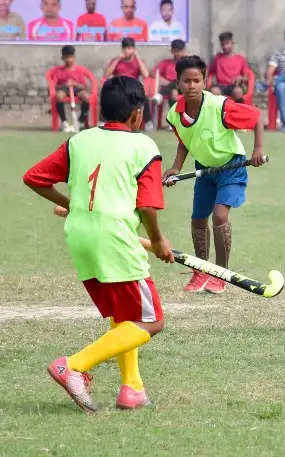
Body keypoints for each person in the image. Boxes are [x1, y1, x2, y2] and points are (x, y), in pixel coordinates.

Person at [23, 76, 174, 412]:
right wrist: (160, 241)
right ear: (138, 114)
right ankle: (73, 365)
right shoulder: (144, 147)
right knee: (152, 321)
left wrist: (74, 204)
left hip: (80, 237)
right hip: (115, 240)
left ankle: (131, 389)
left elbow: (34, 177)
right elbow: (148, 206)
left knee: (125, 314)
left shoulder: (79, 140)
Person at [163, 55, 267, 293]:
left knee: (219, 216)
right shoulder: (174, 114)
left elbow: (257, 117)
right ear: (178, 82)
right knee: (198, 219)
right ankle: (200, 272)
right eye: (186, 81)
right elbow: (185, 140)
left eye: (197, 80)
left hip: (231, 166)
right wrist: (176, 168)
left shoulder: (220, 105)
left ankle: (222, 274)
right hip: (205, 170)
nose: (192, 86)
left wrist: (258, 149)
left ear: (205, 81)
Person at [105, 38, 153, 131]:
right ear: (122, 49)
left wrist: (137, 57)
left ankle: (148, 122)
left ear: (133, 49)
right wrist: (118, 59)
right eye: (125, 48)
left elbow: (146, 75)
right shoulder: (116, 60)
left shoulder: (138, 61)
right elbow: (107, 74)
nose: (127, 51)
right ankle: (104, 121)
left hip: (133, 89)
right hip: (118, 88)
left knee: (144, 98)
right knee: (107, 95)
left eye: (129, 48)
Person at [50, 45, 91, 133]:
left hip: (77, 89)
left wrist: (75, 84)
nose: (69, 60)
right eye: (66, 57)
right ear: (62, 58)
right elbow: (54, 85)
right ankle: (64, 122)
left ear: (74, 58)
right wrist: (65, 84)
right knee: (59, 96)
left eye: (70, 57)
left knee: (86, 97)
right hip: (64, 89)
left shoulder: (78, 70)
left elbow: (84, 86)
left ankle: (80, 121)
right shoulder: (59, 71)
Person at [208, 31, 249, 103]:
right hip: (220, 85)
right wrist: (208, 82)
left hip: (234, 86)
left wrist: (241, 78)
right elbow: (210, 73)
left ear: (232, 43)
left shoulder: (240, 59)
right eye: (222, 44)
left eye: (227, 44)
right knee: (214, 91)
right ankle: (218, 113)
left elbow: (246, 77)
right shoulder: (217, 58)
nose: (225, 47)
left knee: (238, 92)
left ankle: (239, 112)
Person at [152, 38, 186, 109]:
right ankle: (173, 117)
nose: (178, 53)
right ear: (172, 51)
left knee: (175, 84)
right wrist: (160, 78)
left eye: (179, 51)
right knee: (173, 91)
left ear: (184, 51)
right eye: (175, 51)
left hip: (183, 86)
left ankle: (160, 95)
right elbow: (153, 73)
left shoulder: (188, 62)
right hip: (170, 90)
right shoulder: (166, 62)